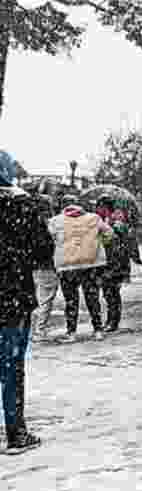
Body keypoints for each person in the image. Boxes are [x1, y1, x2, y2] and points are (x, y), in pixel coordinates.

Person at [0, 150, 54, 454]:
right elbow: (42, 252)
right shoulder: (21, 205)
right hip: (12, 296)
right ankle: (15, 433)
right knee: (10, 366)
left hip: (11, 295)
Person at [49, 197, 113, 342]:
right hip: (90, 264)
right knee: (92, 297)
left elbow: (50, 239)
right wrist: (98, 243)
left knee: (71, 300)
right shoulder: (94, 218)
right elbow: (110, 233)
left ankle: (71, 333)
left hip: (67, 265)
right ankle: (98, 330)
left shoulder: (55, 221)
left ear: (62, 207)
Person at [96, 198, 142, 332]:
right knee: (110, 293)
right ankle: (111, 320)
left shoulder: (116, 223)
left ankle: (112, 322)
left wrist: (134, 258)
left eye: (99, 207)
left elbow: (126, 242)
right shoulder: (109, 221)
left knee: (111, 293)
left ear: (105, 208)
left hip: (114, 263)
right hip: (111, 262)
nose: (97, 210)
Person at [30, 194, 60, 339]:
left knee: (35, 299)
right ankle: (39, 331)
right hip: (46, 266)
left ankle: (31, 330)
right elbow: (47, 247)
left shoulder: (26, 222)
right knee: (45, 299)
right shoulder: (46, 225)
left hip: (30, 266)